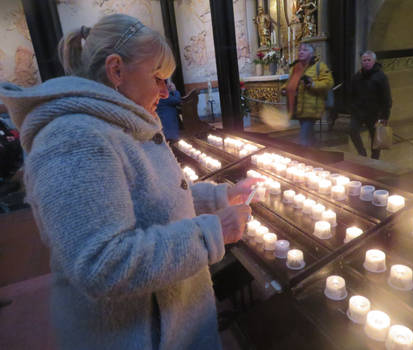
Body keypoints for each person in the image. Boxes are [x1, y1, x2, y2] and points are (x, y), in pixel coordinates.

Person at [0, 14, 261, 350]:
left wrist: (220, 197)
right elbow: (103, 264)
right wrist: (214, 232)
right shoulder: (74, 139)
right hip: (133, 335)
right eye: (158, 78)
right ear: (116, 71)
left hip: (171, 320)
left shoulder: (123, 124)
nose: (166, 91)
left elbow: (151, 200)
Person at [281, 41, 333, 147]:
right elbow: (290, 81)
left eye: (304, 50)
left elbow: (328, 83)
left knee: (303, 139)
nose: (301, 52)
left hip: (312, 108)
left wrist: (313, 84)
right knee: (309, 135)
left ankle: (304, 159)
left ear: (312, 53)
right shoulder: (295, 67)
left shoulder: (319, 66)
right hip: (298, 108)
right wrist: (284, 89)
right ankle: (314, 154)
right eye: (299, 50)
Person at [350, 50, 392, 160]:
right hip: (358, 111)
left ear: (374, 61)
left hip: (374, 113)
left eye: (369, 60)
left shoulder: (381, 77)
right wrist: (353, 108)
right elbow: (352, 94)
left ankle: (374, 160)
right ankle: (362, 153)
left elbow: (386, 98)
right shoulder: (357, 76)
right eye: (364, 60)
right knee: (352, 130)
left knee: (375, 138)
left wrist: (384, 116)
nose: (366, 62)